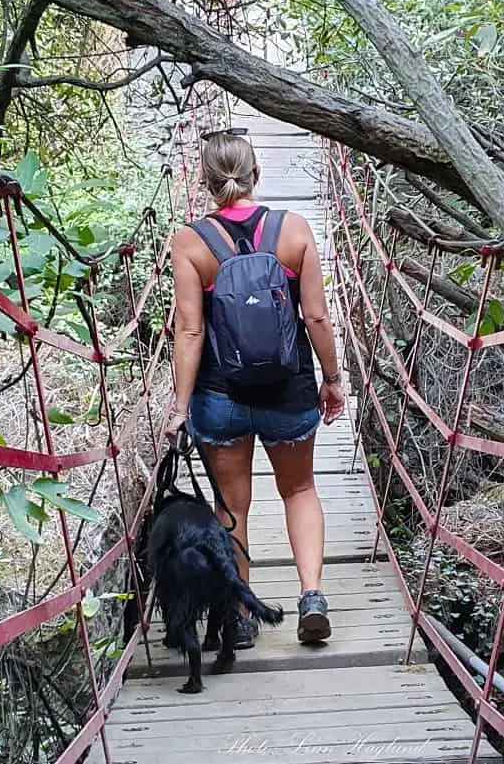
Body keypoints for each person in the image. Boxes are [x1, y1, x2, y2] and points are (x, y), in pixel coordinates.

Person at [164, 130, 345, 648]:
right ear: (256, 175)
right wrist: (332, 381)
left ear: (204, 182)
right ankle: (312, 595)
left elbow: (190, 330)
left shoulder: (190, 242)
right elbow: (315, 315)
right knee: (301, 489)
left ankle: (241, 613)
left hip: (221, 398)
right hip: (288, 391)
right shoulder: (294, 231)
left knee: (232, 507)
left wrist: (181, 407)